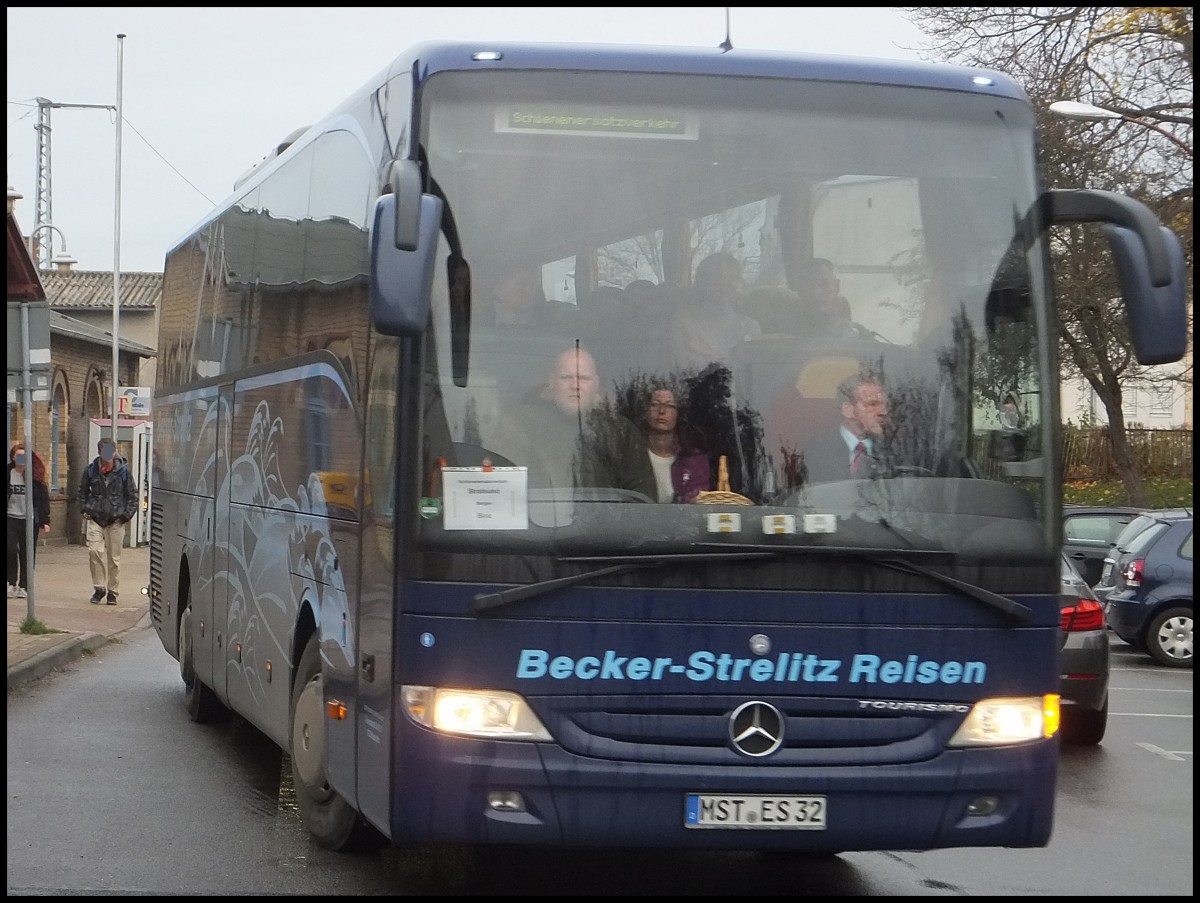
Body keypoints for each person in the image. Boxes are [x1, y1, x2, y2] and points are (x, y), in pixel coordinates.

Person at [495, 345, 656, 499]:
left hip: (607, 526)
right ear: (551, 382)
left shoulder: (620, 431)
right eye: (566, 378)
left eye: (583, 378)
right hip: (540, 524)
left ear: (596, 384)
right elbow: (502, 492)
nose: (575, 386)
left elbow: (642, 500)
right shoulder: (521, 424)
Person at [670, 251, 761, 371]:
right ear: (702, 283)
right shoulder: (684, 321)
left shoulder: (750, 326)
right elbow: (681, 372)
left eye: (733, 279)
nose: (726, 285)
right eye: (719, 279)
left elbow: (757, 375)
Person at [797, 372, 891, 485]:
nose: (883, 412)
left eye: (884, 405)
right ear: (847, 409)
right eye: (872, 404)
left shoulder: (895, 450)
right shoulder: (816, 451)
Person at [78, 437, 138, 605]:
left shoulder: (124, 472)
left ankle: (113, 591)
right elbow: (82, 491)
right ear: (99, 452)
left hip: (116, 520)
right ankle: (99, 588)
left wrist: (125, 515)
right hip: (96, 518)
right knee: (94, 552)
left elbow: (133, 496)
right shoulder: (91, 470)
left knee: (114, 559)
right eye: (105, 451)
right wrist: (85, 508)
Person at [641, 387, 711, 503]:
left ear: (679, 414)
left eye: (670, 406)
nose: (662, 411)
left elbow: (696, 508)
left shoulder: (695, 462)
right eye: (655, 404)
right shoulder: (632, 455)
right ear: (646, 412)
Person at [7, 443, 50, 599]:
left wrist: (45, 521)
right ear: (13, 457)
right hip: (10, 517)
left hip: (29, 519)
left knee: (27, 553)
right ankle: (11, 583)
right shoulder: (9, 473)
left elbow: (43, 499)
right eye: (17, 455)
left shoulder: (34, 476)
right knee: (10, 550)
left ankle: (24, 586)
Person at [799, 258, 855, 338]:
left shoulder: (859, 336)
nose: (816, 292)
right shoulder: (785, 334)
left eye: (824, 284)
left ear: (837, 286)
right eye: (809, 285)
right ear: (800, 290)